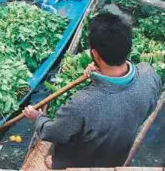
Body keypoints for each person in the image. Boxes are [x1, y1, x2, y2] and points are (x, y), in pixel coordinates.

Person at [23, 13, 162, 169]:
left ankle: (58, 164)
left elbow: (55, 133)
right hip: (117, 156)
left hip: (80, 164)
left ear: (95, 54)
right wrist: (97, 75)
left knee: (62, 155)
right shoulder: (149, 73)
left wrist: (38, 118)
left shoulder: (82, 103)